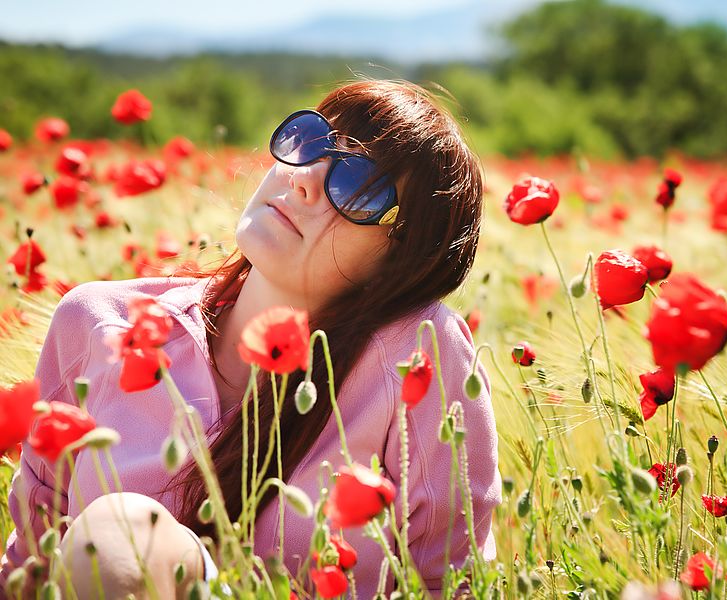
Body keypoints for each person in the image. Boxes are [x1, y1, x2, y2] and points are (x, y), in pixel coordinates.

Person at [0, 79, 501, 599]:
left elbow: (452, 582)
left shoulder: (416, 359)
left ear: (402, 260)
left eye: (358, 186)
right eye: (310, 142)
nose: (304, 178)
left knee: (122, 530)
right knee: (116, 535)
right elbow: (31, 565)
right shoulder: (102, 324)